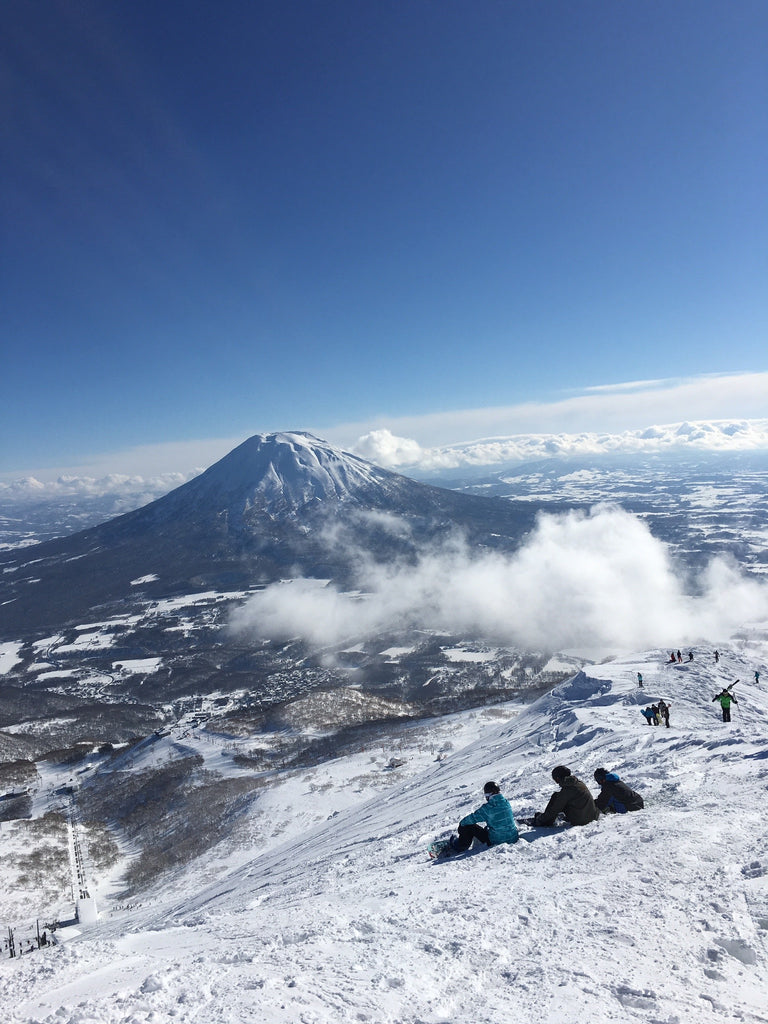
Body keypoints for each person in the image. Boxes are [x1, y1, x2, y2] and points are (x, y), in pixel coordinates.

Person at [446, 781, 518, 854]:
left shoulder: (487, 808)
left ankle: (461, 845)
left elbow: (472, 818)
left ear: (489, 794)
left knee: (469, 826)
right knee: (490, 826)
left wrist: (461, 824)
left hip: (496, 841)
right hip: (513, 838)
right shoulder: (506, 803)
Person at [532, 766, 599, 827]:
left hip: (581, 821)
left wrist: (541, 818)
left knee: (555, 797)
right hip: (593, 816)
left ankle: (545, 822)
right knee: (559, 797)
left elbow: (555, 808)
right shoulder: (577, 783)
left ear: (558, 778)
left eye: (555, 779)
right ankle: (548, 818)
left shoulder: (567, 790)